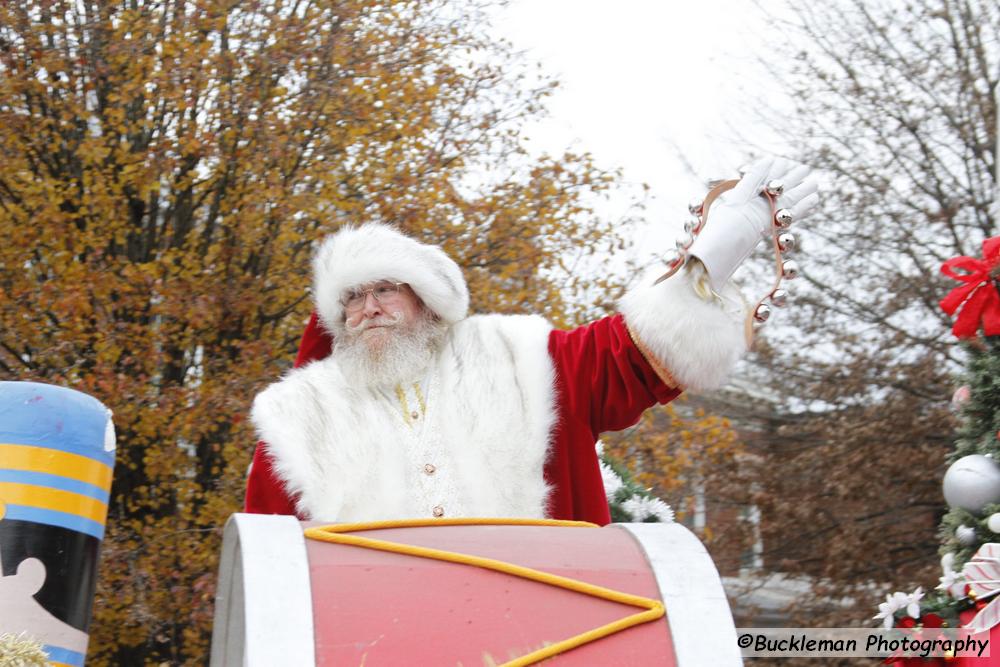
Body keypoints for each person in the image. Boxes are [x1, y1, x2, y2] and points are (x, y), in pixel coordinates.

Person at [244, 157, 819, 525]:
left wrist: (708, 261)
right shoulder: (300, 417)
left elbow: (622, 356)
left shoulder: (515, 360)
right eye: (352, 297)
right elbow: (275, 568)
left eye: (386, 290)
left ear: (425, 301)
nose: (368, 309)